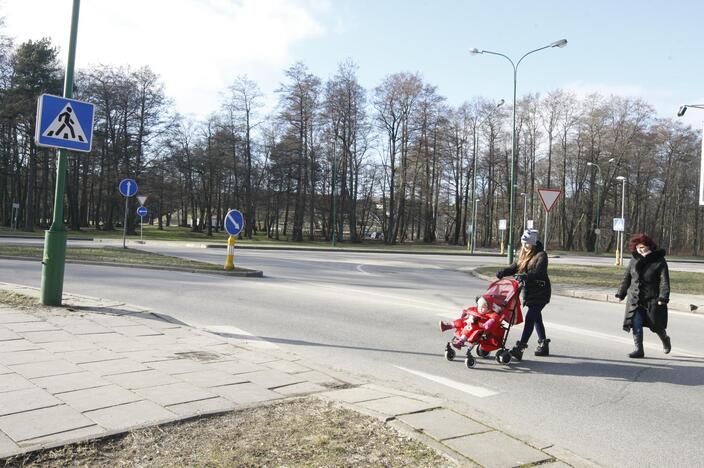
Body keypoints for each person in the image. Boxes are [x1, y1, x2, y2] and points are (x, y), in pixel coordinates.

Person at [496, 229, 552, 360]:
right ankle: (543, 344)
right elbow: (514, 267)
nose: (525, 246)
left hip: (541, 292)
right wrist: (503, 272)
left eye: (527, 243)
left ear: (533, 243)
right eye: (523, 243)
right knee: (536, 317)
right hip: (530, 292)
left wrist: (525, 276)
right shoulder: (523, 254)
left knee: (530, 317)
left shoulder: (541, 255)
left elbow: (539, 272)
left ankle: (520, 347)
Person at [615, 233, 671, 358]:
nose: (640, 250)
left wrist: (663, 297)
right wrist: (621, 293)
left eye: (643, 247)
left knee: (656, 326)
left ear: (649, 246)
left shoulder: (659, 260)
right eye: (638, 248)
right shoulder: (634, 259)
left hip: (652, 299)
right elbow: (627, 277)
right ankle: (639, 350)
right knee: (636, 323)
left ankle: (665, 340)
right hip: (635, 298)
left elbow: (664, 281)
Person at [439, 295, 503, 350]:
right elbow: (470, 309)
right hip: (471, 322)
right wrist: (466, 312)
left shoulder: (490, 313)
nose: (480, 309)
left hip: (479, 327)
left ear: (489, 308)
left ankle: (461, 341)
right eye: (479, 306)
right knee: (462, 320)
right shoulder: (477, 309)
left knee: (469, 327)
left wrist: (489, 322)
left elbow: (495, 317)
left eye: (483, 307)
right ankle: (449, 325)